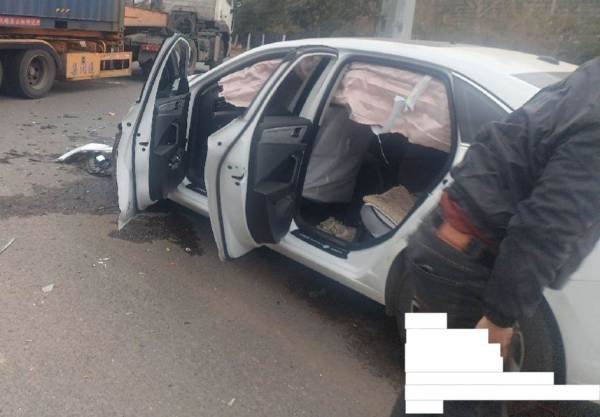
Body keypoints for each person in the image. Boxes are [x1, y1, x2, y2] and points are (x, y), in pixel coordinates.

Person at [391, 57, 600, 417]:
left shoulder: (591, 80)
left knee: (437, 393)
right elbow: (547, 225)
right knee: (462, 403)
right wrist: (500, 317)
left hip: (448, 244)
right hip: (466, 260)